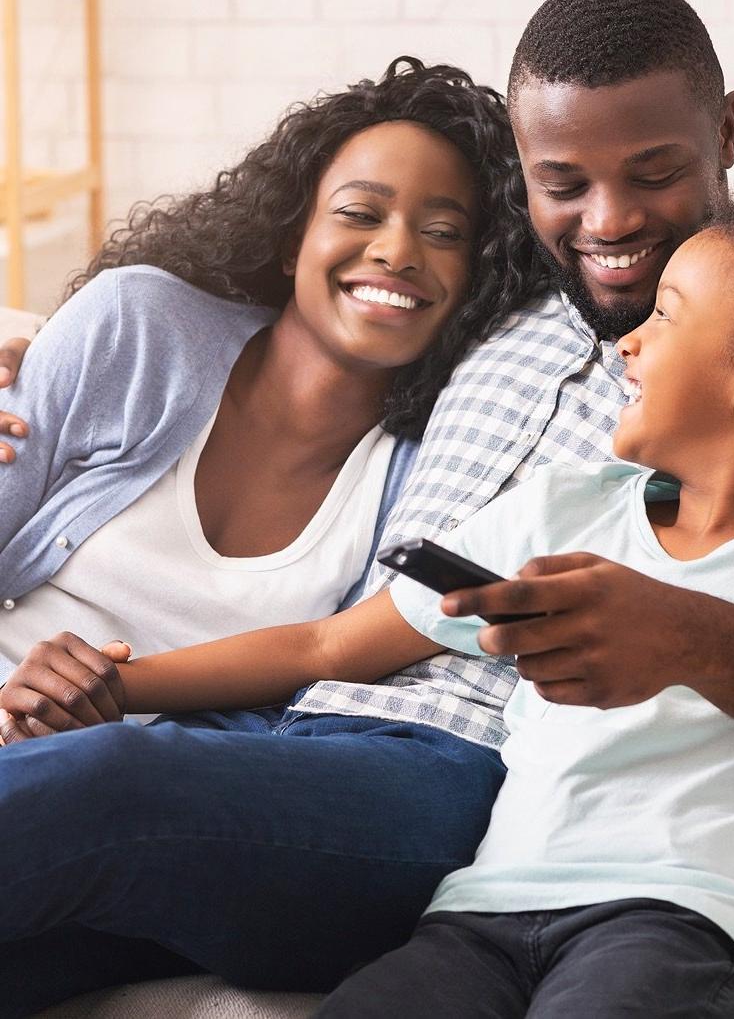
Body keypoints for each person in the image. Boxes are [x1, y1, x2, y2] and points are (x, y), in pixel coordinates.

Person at [0, 0, 734, 1009]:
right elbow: (302, 303)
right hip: (285, 747)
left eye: (653, 172)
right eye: (562, 182)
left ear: (725, 131)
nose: (607, 220)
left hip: (464, 790)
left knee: (110, 780)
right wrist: (36, 351)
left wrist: (702, 640)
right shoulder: (490, 305)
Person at [0, 58, 537, 1013]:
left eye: (444, 232)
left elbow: (303, 694)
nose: (398, 250)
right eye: (361, 212)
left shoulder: (418, 472)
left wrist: (102, 707)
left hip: (122, 814)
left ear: (481, 275)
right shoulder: (139, 326)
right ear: (297, 225)